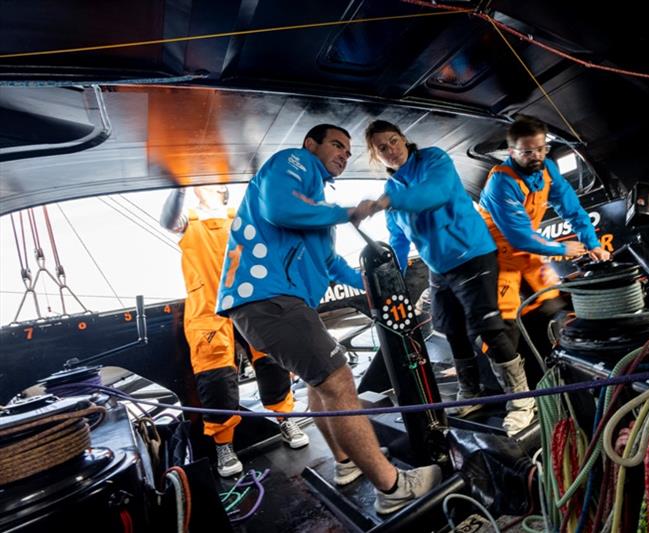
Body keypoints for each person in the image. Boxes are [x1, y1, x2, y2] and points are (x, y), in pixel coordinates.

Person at [216, 124, 441, 514]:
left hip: (276, 304)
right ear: (311, 145)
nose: (343, 154)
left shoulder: (314, 204)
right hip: (270, 298)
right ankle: (392, 488)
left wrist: (377, 285)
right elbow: (281, 209)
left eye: (348, 150)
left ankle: (346, 462)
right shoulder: (293, 163)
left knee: (321, 383)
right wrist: (347, 212)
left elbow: (331, 263)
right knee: (339, 380)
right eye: (337, 145)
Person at [364, 119, 535, 437]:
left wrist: (386, 201)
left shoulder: (433, 159)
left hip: (472, 255)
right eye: (382, 148)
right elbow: (398, 240)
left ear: (404, 139)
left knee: (488, 329)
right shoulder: (391, 192)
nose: (391, 150)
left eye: (393, 141)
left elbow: (435, 193)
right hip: (440, 269)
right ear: (376, 155)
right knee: (451, 331)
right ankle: (471, 393)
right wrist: (391, 279)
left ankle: (522, 402)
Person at [161, 185, 310, 478]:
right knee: (215, 376)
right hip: (208, 307)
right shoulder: (187, 221)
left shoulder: (241, 216)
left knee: (272, 362)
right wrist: (178, 185)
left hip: (250, 299)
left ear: (221, 189)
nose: (199, 186)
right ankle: (223, 445)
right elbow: (168, 220)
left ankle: (285, 419)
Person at [478, 116, 611, 358]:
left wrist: (593, 244)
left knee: (550, 302)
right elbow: (519, 237)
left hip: (526, 249)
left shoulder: (547, 169)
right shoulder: (501, 182)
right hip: (493, 255)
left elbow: (572, 209)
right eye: (528, 152)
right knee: (501, 323)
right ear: (511, 151)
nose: (536, 156)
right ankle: (504, 385)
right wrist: (562, 249)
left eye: (541, 149)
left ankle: (547, 362)